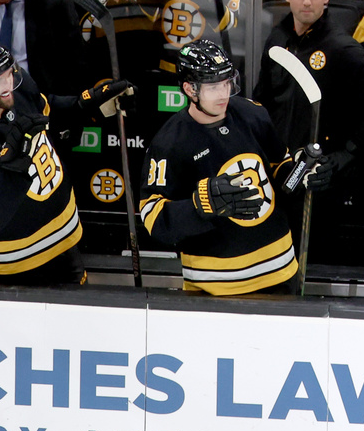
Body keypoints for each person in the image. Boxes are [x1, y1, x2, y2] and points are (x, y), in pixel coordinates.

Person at [138, 39, 333, 296]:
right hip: (214, 285)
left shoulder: (253, 114)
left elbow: (279, 165)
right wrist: (200, 204)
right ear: (189, 89)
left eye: (227, 82)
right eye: (213, 86)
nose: (223, 94)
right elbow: (153, 215)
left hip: (281, 271)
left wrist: (301, 172)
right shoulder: (169, 142)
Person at [0, 35, 131, 284]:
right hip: (10, 263)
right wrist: (13, 169)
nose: (8, 83)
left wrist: (84, 106)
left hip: (63, 239)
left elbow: (46, 110)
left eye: (8, 72)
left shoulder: (19, 87)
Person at [253, 0, 364, 267]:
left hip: (318, 190)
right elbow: (262, 101)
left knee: (311, 269)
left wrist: (345, 156)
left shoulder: (345, 50)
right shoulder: (277, 39)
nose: (307, 2)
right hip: (276, 180)